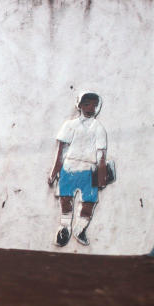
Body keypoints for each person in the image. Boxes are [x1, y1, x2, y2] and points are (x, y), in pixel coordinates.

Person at [47, 90, 107, 247]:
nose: (90, 108)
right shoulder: (70, 125)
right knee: (65, 199)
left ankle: (80, 228)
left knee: (89, 202)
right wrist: (54, 171)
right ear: (80, 105)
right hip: (70, 168)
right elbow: (61, 150)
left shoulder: (98, 128)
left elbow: (101, 154)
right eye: (87, 104)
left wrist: (101, 176)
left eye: (94, 105)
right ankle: (64, 227)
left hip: (89, 170)